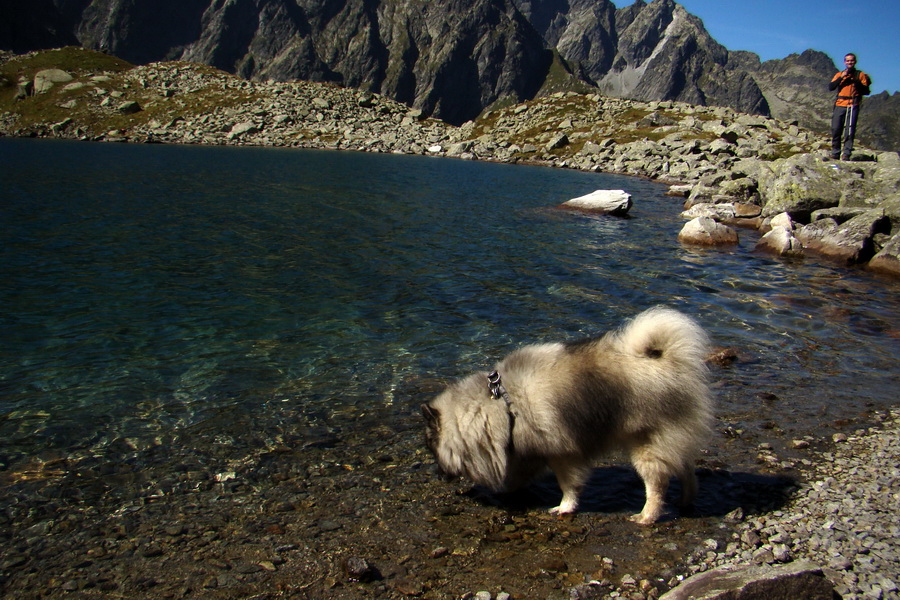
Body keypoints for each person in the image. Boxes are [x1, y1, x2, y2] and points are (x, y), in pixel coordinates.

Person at [829, 53, 871, 161]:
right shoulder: (839, 74)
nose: (849, 62)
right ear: (844, 62)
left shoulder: (860, 75)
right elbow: (831, 87)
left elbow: (866, 91)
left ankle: (846, 153)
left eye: (851, 60)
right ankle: (835, 152)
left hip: (853, 105)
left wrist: (856, 82)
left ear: (855, 62)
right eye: (847, 61)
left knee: (849, 130)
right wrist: (842, 78)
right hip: (840, 104)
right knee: (836, 129)